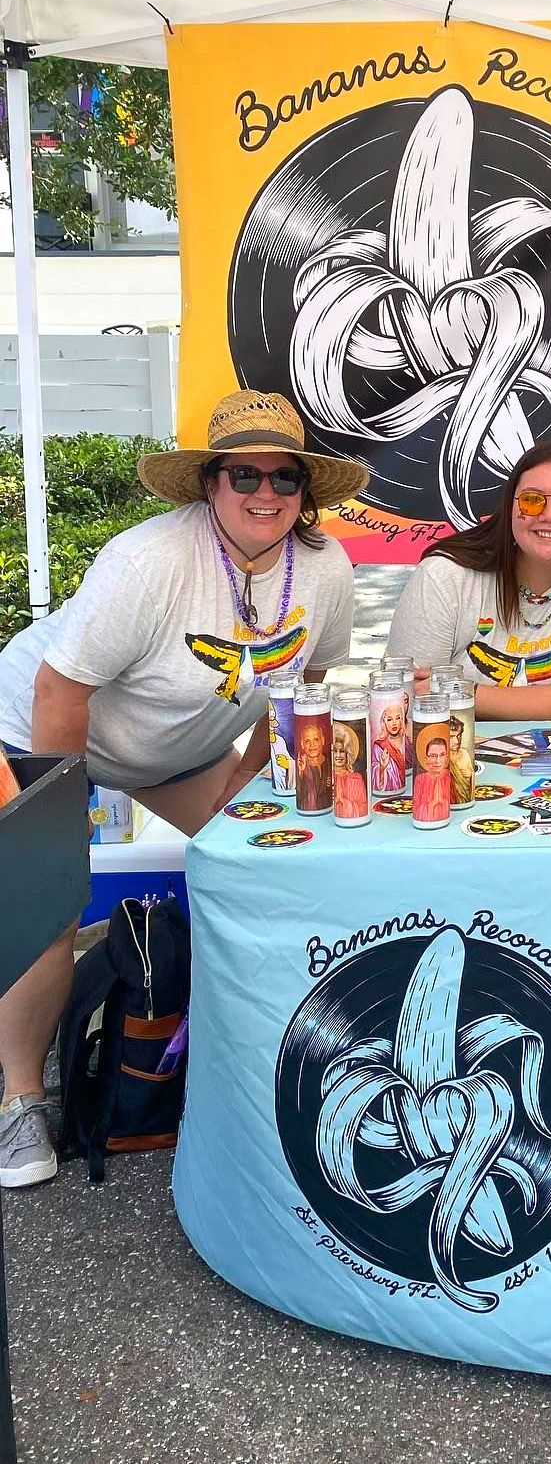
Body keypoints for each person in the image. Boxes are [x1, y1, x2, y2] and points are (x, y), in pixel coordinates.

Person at [0, 388, 365, 1187]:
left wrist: (245, 789)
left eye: (284, 478)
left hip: (168, 754)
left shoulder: (327, 569)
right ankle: (21, 1098)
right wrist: (63, 822)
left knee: (272, 856)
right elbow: (60, 691)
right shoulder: (149, 560)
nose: (265, 494)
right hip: (39, 725)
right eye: (244, 476)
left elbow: (311, 684)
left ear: (306, 492)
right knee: (47, 900)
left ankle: (260, 1067)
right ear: (210, 484)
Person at [386, 441, 551, 719]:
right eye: (532, 500)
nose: (550, 516)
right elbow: (408, 697)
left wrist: (460, 691)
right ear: (510, 506)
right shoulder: (444, 576)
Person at [370, 699, 413, 792]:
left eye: (398, 718)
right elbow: (374, 773)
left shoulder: (406, 742)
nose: (394, 723)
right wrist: (382, 767)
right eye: (389, 719)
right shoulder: (379, 747)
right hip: (388, 793)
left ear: (402, 720)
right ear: (384, 722)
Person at [412, 734, 452, 824]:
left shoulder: (448, 775)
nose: (438, 761)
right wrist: (431, 805)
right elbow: (417, 809)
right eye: (433, 756)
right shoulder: (420, 779)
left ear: (446, 757)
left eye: (442, 755)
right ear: (426, 759)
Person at [332, 724, 368, 821]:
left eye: (342, 751)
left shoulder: (356, 779)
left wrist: (343, 802)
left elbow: (363, 807)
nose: (338, 755)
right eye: (335, 751)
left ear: (348, 752)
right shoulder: (325, 777)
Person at [294, 720, 331, 812]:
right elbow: (300, 794)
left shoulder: (329, 762)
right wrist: (301, 772)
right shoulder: (301, 766)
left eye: (316, 740)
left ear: (322, 740)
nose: (312, 745)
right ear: (302, 744)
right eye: (307, 741)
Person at [447, 714, 475, 804]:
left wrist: (470, 775)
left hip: (465, 797)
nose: (457, 741)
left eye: (459, 735)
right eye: (451, 737)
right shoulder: (442, 758)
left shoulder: (465, 754)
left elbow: (471, 772)